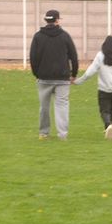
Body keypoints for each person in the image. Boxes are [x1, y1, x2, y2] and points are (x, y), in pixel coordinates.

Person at [30, 10, 78, 140]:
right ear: (57, 20)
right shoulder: (65, 36)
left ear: (46, 20)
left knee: (44, 107)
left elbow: (33, 58)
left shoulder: (38, 36)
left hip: (44, 78)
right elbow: (74, 57)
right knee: (62, 106)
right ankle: (62, 135)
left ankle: (43, 133)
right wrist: (73, 74)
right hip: (62, 78)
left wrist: (37, 73)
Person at [74, 35, 112, 140]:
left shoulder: (100, 56)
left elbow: (90, 72)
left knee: (104, 111)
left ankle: (108, 125)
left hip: (104, 89)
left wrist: (78, 81)